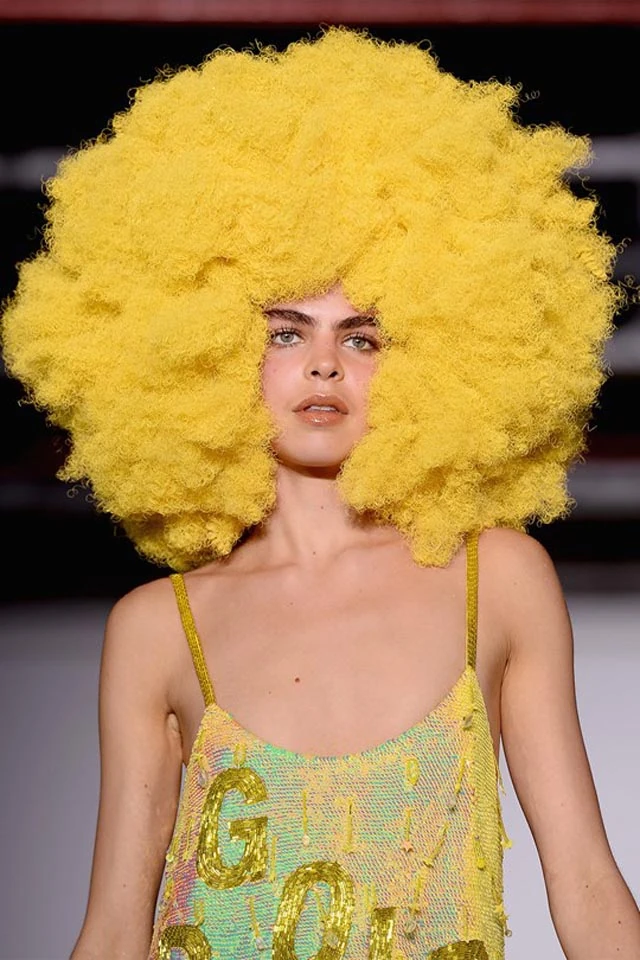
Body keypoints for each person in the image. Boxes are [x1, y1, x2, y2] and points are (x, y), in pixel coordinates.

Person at [2, 25, 639, 960]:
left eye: (364, 337)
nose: (326, 365)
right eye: (285, 332)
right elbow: (112, 931)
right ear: (202, 348)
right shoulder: (156, 628)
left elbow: (585, 884)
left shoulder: (496, 580)